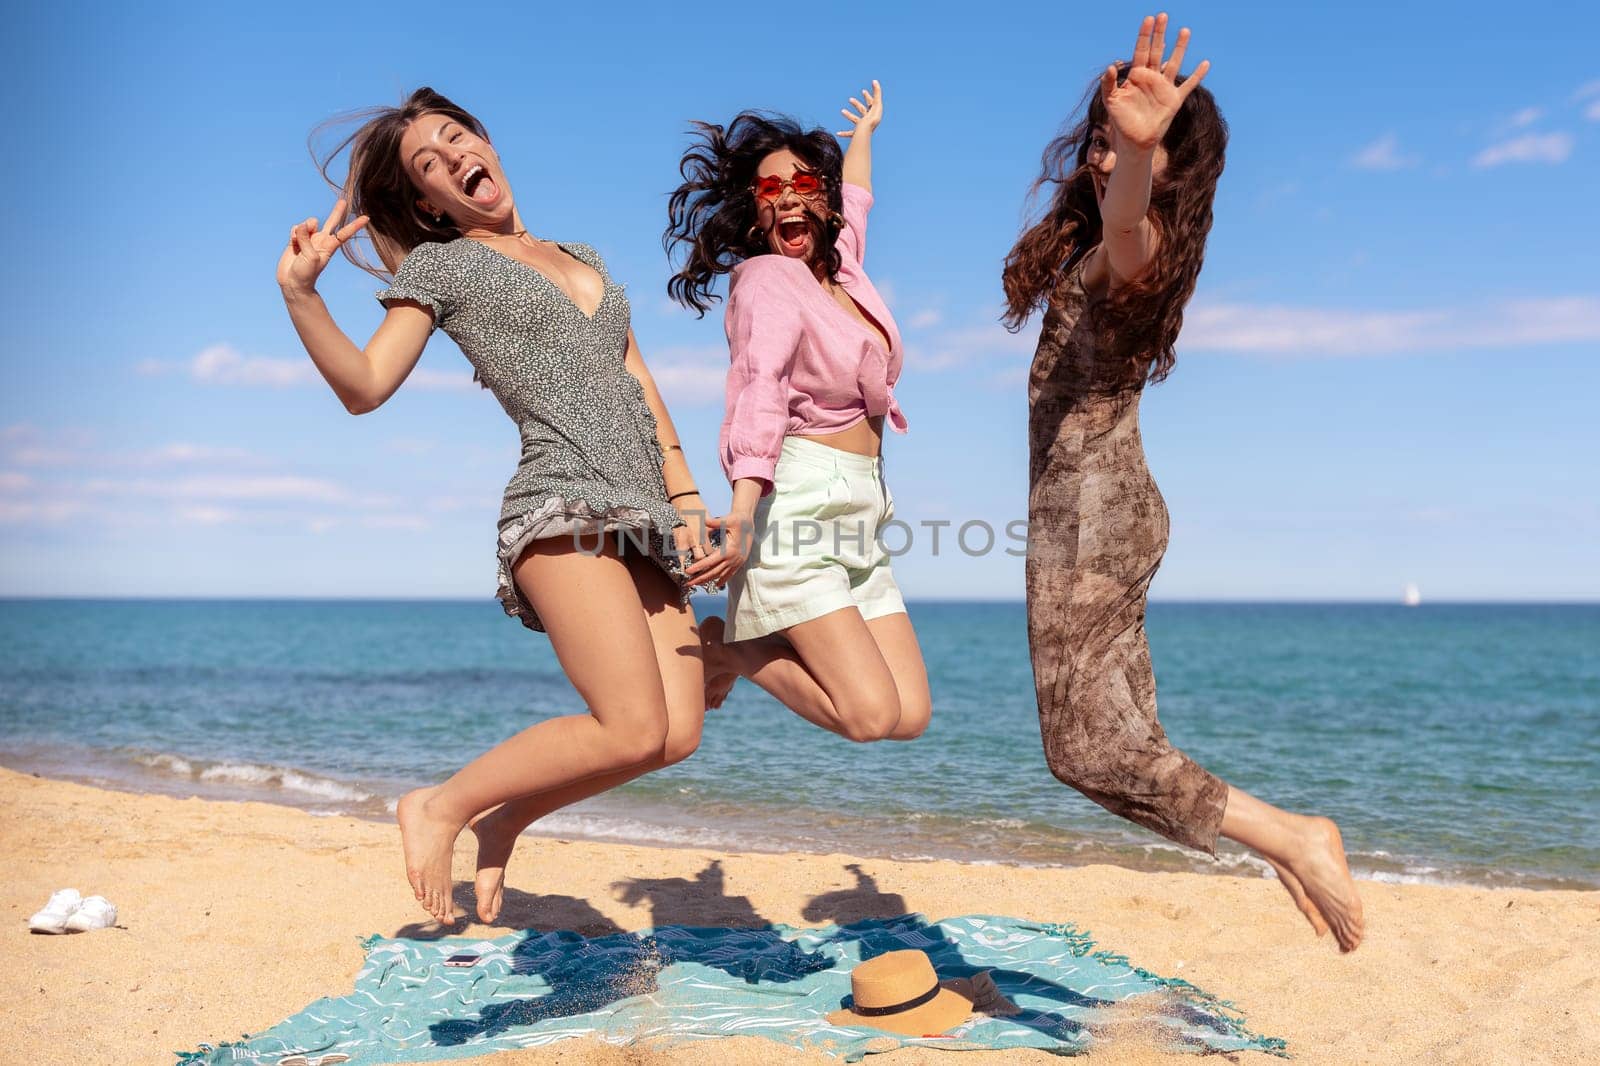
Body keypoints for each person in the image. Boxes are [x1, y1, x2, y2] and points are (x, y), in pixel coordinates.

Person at [276, 88, 720, 925]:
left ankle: (509, 814)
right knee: (628, 725)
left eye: (456, 139)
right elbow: (366, 388)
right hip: (557, 506)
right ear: (423, 202)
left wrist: (688, 497)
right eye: (428, 166)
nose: (453, 160)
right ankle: (437, 806)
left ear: (485, 140)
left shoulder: (580, 254)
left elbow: (639, 383)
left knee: (674, 733)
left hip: (643, 514)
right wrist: (303, 297)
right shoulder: (443, 268)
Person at [1002, 16, 1365, 951]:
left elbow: (1126, 221)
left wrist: (1135, 153)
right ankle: (1283, 844)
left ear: (1171, 163)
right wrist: (1129, 150)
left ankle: (1293, 834)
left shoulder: (1140, 247)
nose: (1105, 139)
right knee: (1113, 744)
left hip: (1093, 515)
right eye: (1102, 125)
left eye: (1134, 137)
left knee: (1087, 749)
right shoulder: (1100, 246)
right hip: (1098, 509)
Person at [664, 84, 931, 745]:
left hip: (864, 512)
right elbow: (762, 386)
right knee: (868, 717)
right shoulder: (767, 279)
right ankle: (731, 651)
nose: (785, 194)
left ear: (823, 200)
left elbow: (859, 199)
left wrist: (863, 134)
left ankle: (736, 644)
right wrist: (745, 510)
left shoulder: (845, 273)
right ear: (756, 215)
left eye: (803, 181)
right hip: (798, 503)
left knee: (909, 716)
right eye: (768, 188)